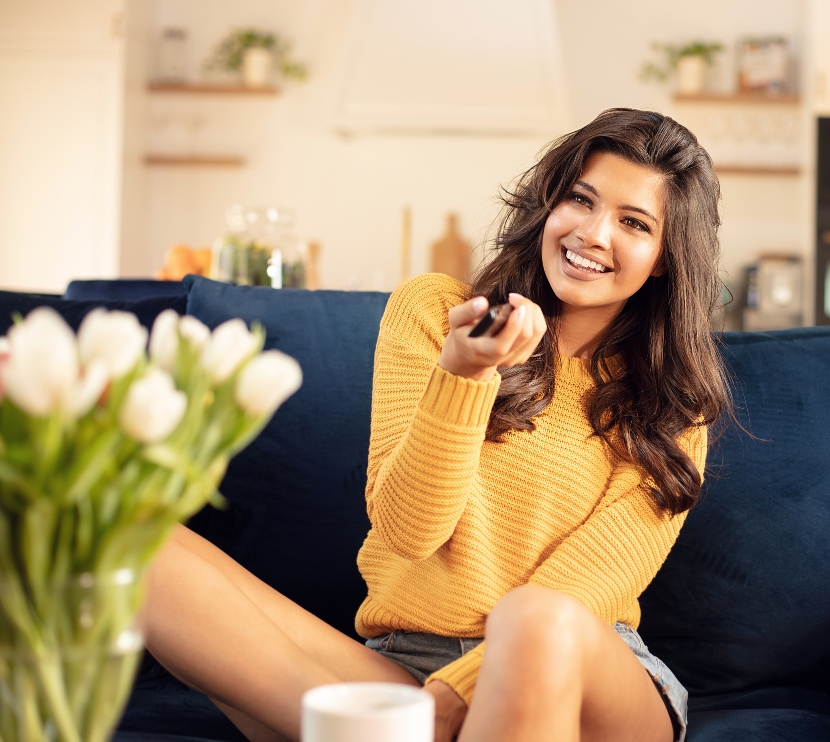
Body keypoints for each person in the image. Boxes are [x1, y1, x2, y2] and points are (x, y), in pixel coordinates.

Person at [143, 108, 731, 742]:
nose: (592, 233)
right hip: (404, 667)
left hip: (581, 675)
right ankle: (371, 732)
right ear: (548, 203)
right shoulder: (432, 312)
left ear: (666, 258)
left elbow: (583, 589)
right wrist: (465, 373)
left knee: (535, 618)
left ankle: (364, 732)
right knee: (136, 540)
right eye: (579, 199)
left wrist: (454, 697)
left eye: (633, 223)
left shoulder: (672, 404)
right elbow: (406, 530)